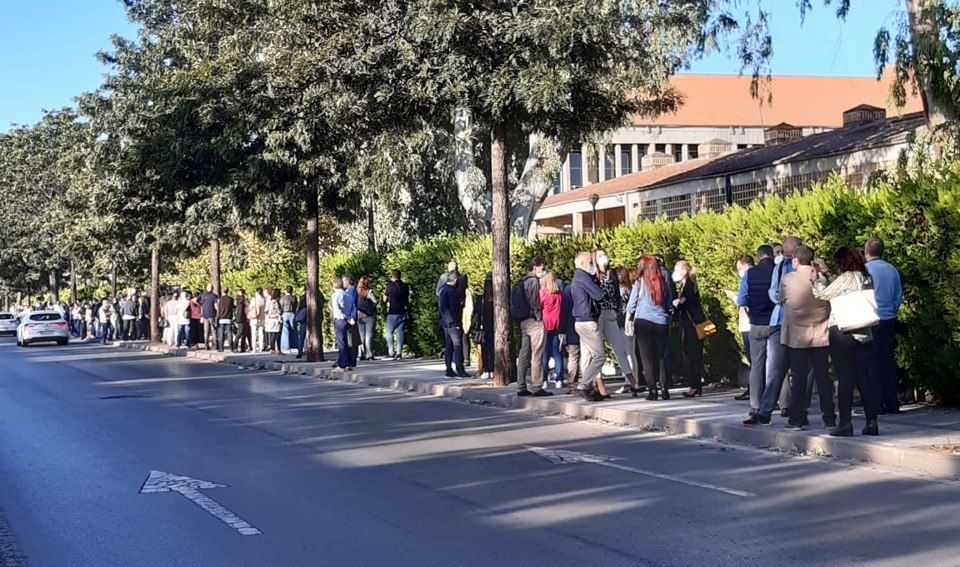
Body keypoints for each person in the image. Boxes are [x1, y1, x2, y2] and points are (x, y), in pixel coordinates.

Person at [812, 246, 880, 436]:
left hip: (843, 331)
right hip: (865, 332)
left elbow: (823, 294)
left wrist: (816, 279)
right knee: (864, 377)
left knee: (845, 379)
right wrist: (827, 273)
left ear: (841, 262)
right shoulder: (865, 277)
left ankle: (845, 423)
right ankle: (872, 422)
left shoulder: (847, 277)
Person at [780, 245, 836, 430]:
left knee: (799, 377)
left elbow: (781, 299)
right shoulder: (822, 280)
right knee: (823, 377)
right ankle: (829, 417)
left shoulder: (788, 279)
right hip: (820, 334)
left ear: (795, 260)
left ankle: (797, 418)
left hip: (797, 336)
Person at [739, 244, 784, 425]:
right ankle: (779, 405)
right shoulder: (778, 271)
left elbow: (742, 299)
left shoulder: (750, 274)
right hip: (774, 322)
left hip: (756, 323)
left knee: (756, 366)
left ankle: (755, 405)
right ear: (772, 255)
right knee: (775, 367)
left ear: (758, 257)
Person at [628, 255, 675, 400]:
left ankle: (652, 391)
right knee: (660, 356)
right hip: (662, 322)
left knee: (646, 358)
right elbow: (669, 306)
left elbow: (632, 303)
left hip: (643, 322)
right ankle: (664, 388)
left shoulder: (640, 283)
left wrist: (628, 318)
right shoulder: (663, 283)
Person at [864, 238, 903, 414]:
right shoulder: (892, 269)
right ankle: (892, 402)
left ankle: (877, 403)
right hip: (889, 319)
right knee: (887, 361)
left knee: (872, 363)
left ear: (866, 252)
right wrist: (892, 311)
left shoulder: (865, 271)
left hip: (872, 320)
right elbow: (898, 294)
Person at [593, 250, 639, 394]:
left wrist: (618, 313)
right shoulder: (592, 275)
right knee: (597, 352)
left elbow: (617, 296)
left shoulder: (611, 274)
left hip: (611, 314)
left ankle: (632, 381)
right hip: (597, 315)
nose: (603, 258)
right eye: (599, 255)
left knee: (621, 350)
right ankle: (598, 383)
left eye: (604, 254)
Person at [570, 251, 607, 401]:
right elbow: (599, 295)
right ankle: (583, 385)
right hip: (587, 321)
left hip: (580, 321)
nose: (592, 265)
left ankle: (589, 389)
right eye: (590, 262)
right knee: (600, 356)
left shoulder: (577, 277)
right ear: (584, 263)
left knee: (588, 356)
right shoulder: (583, 277)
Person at [514, 256, 550, 397]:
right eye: (542, 267)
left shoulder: (522, 281)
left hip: (524, 321)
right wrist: (539, 318)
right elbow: (535, 302)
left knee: (524, 354)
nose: (544, 270)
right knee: (537, 354)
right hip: (534, 321)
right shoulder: (534, 281)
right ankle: (537, 386)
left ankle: (521, 386)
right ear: (536, 267)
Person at [673, 261, 706, 398]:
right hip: (694, 324)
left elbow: (686, 305)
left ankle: (694, 385)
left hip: (691, 326)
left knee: (690, 354)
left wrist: (677, 303)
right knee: (694, 355)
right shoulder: (688, 284)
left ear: (684, 271)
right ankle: (695, 384)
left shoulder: (689, 286)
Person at [725, 255, 755, 401]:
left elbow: (744, 300)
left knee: (753, 359)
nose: (738, 271)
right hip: (750, 323)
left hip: (749, 324)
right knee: (753, 359)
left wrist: (733, 297)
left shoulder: (749, 277)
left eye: (739, 268)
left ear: (745, 266)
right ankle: (752, 389)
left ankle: (754, 390)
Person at [439, 272, 471, 378]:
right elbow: (454, 308)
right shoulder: (452, 292)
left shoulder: (443, 290)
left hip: (445, 322)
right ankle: (460, 370)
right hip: (453, 322)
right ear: (455, 280)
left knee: (449, 346)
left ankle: (449, 369)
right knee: (457, 346)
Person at [539, 269, 563, 387]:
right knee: (557, 353)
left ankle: (544, 379)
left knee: (545, 353)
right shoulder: (558, 294)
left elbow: (539, 305)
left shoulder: (543, 292)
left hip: (545, 324)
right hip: (556, 324)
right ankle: (559, 379)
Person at [383, 270, 410, 360]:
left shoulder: (390, 286)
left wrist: (389, 299)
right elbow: (407, 298)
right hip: (403, 311)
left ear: (392, 276)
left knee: (389, 332)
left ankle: (391, 351)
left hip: (393, 312)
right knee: (400, 332)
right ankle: (399, 353)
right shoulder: (406, 286)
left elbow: (384, 299)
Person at [472, 273, 495, 379]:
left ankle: (486, 369)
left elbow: (476, 313)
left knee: (485, 349)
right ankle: (493, 369)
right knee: (494, 348)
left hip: (483, 327)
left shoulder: (480, 299)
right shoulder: (496, 299)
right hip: (494, 326)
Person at [559, 276, 580, 388]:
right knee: (588, 354)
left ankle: (572, 382)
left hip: (571, 324)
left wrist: (562, 328)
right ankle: (588, 382)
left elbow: (564, 310)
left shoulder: (567, 290)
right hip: (586, 322)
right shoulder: (586, 286)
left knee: (573, 355)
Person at [331, 279, 354, 370]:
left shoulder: (335, 295)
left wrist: (344, 317)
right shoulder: (348, 295)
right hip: (348, 320)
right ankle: (349, 363)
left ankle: (342, 364)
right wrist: (350, 317)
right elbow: (353, 308)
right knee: (347, 342)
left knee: (341, 342)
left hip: (340, 320)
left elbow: (337, 309)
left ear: (334, 286)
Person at [356, 277, 378, 361]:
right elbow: (375, 301)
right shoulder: (369, 292)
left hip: (359, 316)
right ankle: (369, 354)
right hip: (369, 315)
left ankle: (360, 354)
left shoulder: (356, 292)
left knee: (361, 336)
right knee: (369, 335)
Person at [197, 284, 219, 350]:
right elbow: (216, 306)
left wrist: (201, 305)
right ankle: (215, 346)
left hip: (204, 315)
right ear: (212, 288)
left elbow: (196, 300)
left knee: (206, 331)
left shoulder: (202, 295)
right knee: (213, 330)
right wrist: (219, 312)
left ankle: (206, 346)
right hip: (212, 315)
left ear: (206, 288)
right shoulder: (214, 296)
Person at [280, 285, 298, 354]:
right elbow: (296, 306)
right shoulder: (294, 298)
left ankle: (285, 346)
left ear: (285, 290)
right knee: (293, 329)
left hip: (285, 314)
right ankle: (295, 345)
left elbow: (281, 306)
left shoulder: (283, 298)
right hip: (292, 314)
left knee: (285, 331)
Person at [264, 288, 283, 355]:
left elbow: (266, 310)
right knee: (277, 335)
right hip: (276, 319)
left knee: (272, 335)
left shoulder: (270, 301)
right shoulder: (275, 302)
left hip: (270, 320)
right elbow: (277, 311)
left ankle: (272, 349)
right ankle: (278, 349)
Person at [248, 288, 266, 354]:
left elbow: (250, 307)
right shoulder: (264, 299)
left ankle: (254, 348)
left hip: (254, 318)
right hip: (262, 318)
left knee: (254, 333)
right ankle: (261, 348)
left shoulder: (254, 299)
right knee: (261, 333)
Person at [216, 287, 235, 352]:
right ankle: (232, 347)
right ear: (228, 291)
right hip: (228, 318)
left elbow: (218, 309)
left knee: (221, 333)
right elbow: (233, 307)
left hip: (221, 318)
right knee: (229, 333)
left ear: (222, 291)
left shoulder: (220, 299)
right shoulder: (231, 299)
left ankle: (221, 348)